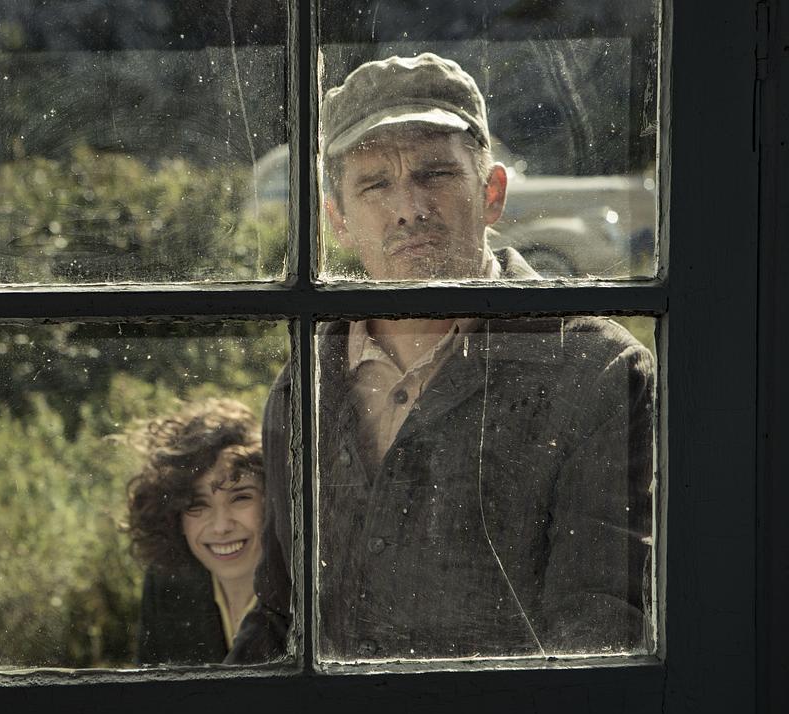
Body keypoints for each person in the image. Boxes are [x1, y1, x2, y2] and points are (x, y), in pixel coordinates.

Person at [229, 53, 654, 662]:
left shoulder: (597, 371)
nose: (409, 207)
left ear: (492, 193)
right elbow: (281, 612)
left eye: (435, 173)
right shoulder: (307, 381)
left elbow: (599, 636)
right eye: (375, 184)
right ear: (337, 221)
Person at [125, 398, 266, 665]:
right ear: (173, 516)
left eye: (240, 498)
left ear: (272, 499)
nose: (221, 526)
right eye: (197, 504)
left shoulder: (306, 593)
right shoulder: (166, 585)